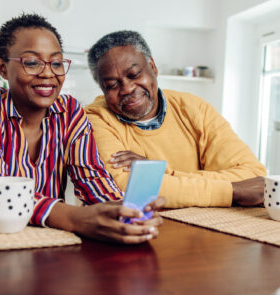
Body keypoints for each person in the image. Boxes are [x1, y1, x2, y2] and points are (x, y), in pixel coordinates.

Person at [0, 15, 164, 244]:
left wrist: (124, 212)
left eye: (56, 63)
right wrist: (74, 218)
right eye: (32, 62)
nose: (48, 73)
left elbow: (92, 178)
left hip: (47, 242)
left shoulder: (69, 111)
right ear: (3, 68)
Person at [85, 30, 266, 209]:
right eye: (111, 85)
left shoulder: (194, 108)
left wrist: (165, 173)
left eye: (134, 75)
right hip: (141, 229)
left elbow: (254, 176)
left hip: (210, 228)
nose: (127, 88)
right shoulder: (95, 119)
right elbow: (130, 190)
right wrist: (231, 191)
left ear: (153, 67)